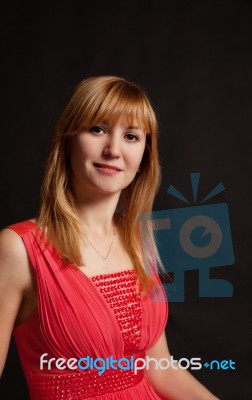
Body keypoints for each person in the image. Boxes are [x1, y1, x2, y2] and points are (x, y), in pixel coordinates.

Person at [0, 76, 219, 399]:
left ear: (145, 154)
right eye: (97, 129)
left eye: (131, 136)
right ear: (68, 139)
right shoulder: (17, 247)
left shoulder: (139, 238)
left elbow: (159, 367)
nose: (113, 150)